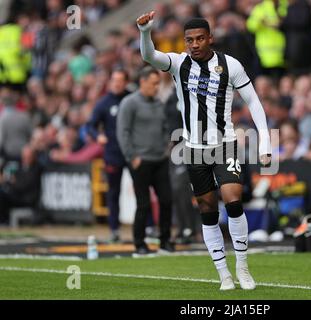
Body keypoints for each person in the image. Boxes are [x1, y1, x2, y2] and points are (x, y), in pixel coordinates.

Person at [137, 12, 272, 290]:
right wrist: (145, 32)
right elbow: (150, 57)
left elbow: (254, 103)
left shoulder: (230, 65)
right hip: (195, 148)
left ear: (210, 38)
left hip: (225, 143)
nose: (194, 44)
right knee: (208, 209)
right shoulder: (178, 64)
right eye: (189, 40)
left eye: (200, 38)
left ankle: (243, 268)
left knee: (233, 200)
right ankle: (223, 274)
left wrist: (266, 143)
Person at [117, 66, 174, 255]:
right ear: (142, 82)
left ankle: (165, 240)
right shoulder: (129, 103)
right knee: (143, 204)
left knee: (166, 200)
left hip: (160, 159)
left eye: (158, 83)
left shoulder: (159, 104)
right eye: (153, 83)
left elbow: (166, 127)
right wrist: (131, 157)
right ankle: (139, 243)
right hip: (141, 161)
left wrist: (167, 148)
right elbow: (123, 132)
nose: (157, 87)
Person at [87, 69, 129, 243]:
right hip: (112, 153)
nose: (117, 83)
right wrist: (98, 136)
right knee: (113, 192)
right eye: (114, 80)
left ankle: (148, 227)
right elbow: (90, 126)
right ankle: (114, 229)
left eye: (120, 80)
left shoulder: (131, 99)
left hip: (133, 151)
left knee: (143, 189)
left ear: (125, 82)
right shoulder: (104, 103)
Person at [0, 145, 41, 225]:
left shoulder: (36, 168)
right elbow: (13, 180)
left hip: (26, 199)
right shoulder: (19, 166)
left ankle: (3, 221)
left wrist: (9, 181)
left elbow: (23, 185)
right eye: (24, 155)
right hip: (15, 196)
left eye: (28, 155)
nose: (26, 158)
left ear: (34, 156)